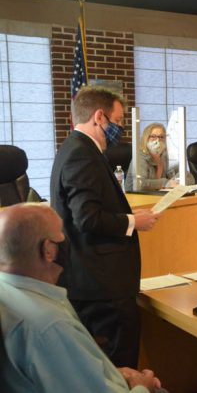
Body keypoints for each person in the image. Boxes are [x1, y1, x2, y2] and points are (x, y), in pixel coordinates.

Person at [0, 203, 163, 393]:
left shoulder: (11, 294)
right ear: (48, 250)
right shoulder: (49, 326)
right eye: (62, 235)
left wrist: (110, 373)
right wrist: (143, 387)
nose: (66, 241)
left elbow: (62, 373)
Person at [50, 87, 159, 368]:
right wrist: (134, 221)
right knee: (118, 368)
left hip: (95, 282)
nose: (120, 129)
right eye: (119, 121)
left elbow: (91, 208)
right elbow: (86, 218)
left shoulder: (78, 148)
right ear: (100, 117)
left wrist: (124, 213)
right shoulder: (81, 154)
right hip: (101, 287)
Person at [126, 123, 178, 191]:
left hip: (156, 195)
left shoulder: (163, 156)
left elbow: (173, 173)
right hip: (136, 197)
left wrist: (179, 179)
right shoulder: (140, 157)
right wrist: (165, 183)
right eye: (153, 137)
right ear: (146, 138)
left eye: (161, 137)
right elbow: (140, 183)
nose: (157, 140)